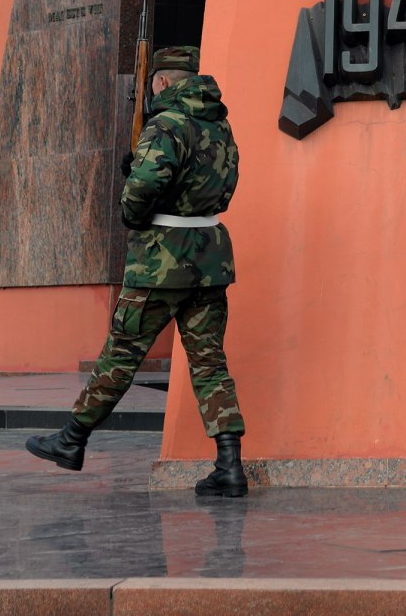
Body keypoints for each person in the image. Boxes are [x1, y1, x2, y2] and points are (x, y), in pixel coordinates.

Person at [26, 46, 249, 497]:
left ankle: (72, 441)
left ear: (163, 82)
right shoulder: (220, 125)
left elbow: (144, 188)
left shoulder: (165, 124)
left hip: (159, 262)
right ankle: (229, 467)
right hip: (209, 261)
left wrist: (132, 201)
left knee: (122, 352)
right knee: (209, 364)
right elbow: (223, 186)